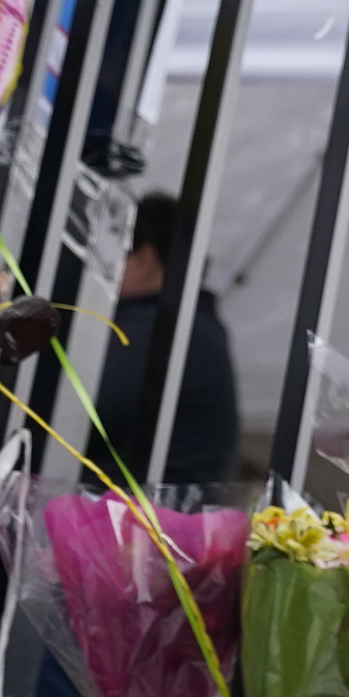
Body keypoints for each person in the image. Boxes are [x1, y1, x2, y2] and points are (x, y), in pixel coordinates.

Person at [101, 191, 239, 491]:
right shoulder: (195, 324)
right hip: (171, 511)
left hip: (144, 515)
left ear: (145, 258)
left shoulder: (155, 328)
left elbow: (79, 405)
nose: (104, 272)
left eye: (116, 255)